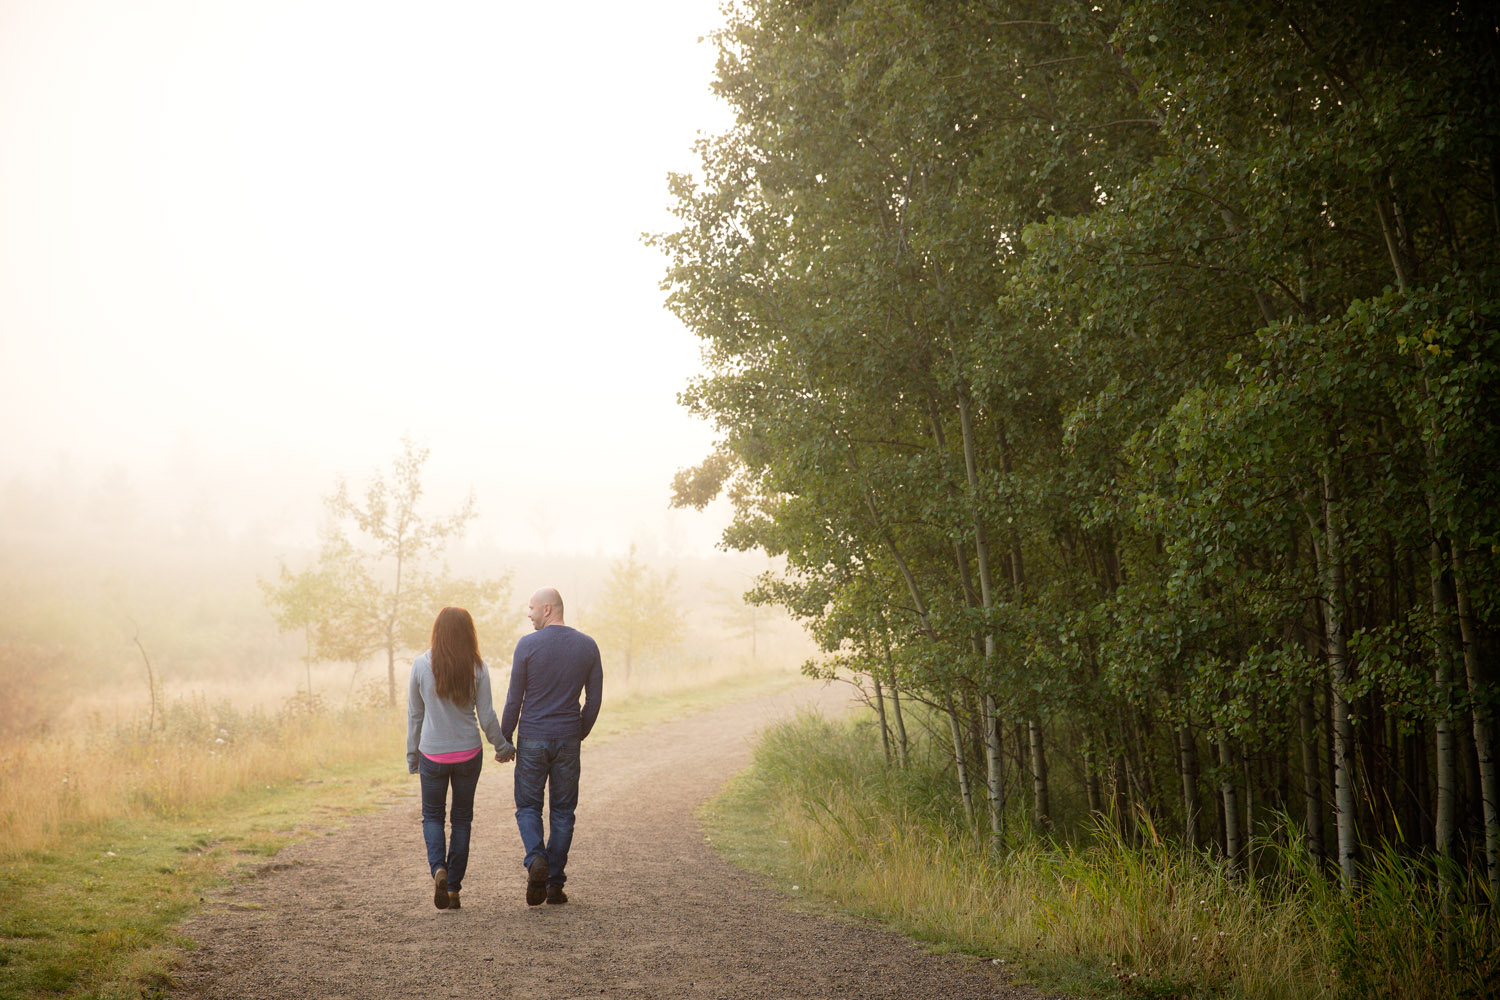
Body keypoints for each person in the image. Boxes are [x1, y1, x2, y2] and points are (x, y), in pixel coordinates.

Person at [497, 587, 603, 905]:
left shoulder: (527, 646)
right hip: (568, 738)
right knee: (563, 812)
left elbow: (515, 697)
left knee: (528, 807)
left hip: (532, 739)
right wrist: (578, 731)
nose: (527, 614)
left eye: (530, 608)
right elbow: (594, 700)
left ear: (547, 609)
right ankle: (554, 884)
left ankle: (535, 860)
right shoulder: (588, 646)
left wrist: (505, 740)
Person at [407, 606, 513, 911]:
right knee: (462, 819)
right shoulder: (477, 667)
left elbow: (415, 715)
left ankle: (438, 869)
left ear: (437, 632)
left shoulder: (420, 665)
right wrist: (502, 747)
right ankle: (453, 890)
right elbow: (488, 715)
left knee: (432, 816)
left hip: (432, 754)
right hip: (469, 754)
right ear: (469, 632)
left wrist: (412, 754)